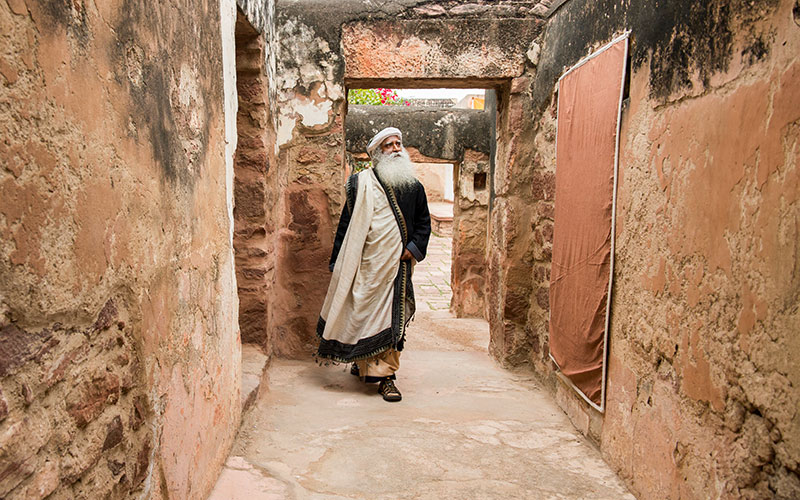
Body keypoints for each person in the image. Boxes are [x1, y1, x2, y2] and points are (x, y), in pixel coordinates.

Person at [316, 127, 431, 402]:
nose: (395, 149)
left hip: (395, 267)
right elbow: (347, 224)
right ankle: (362, 360)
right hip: (366, 265)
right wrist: (338, 262)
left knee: (391, 321)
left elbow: (424, 224)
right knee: (361, 314)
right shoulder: (360, 184)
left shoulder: (413, 186)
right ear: (377, 153)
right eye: (388, 145)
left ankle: (386, 378)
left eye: (398, 143)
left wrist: (412, 249)